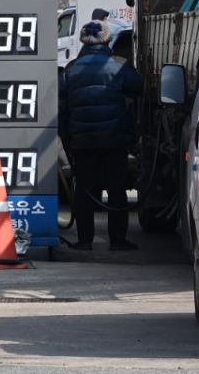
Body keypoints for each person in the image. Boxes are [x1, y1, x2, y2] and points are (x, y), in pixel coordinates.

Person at [59, 19, 144, 251]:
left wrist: (68, 138)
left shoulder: (71, 68)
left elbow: (60, 108)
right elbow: (137, 88)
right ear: (107, 39)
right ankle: (117, 241)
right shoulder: (119, 64)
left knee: (85, 190)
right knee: (117, 190)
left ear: (83, 41)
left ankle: (85, 241)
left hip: (82, 142)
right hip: (114, 139)